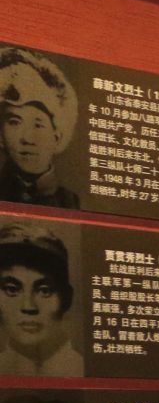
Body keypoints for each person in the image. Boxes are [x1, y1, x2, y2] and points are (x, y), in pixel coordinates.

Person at [0, 223, 83, 377]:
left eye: (45, 290)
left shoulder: (86, 370)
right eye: (12, 289)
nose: (28, 306)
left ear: (66, 298)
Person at [0, 47, 79, 208]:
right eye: (15, 122)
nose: (27, 138)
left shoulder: (70, 202)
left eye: (38, 124)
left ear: (56, 137)